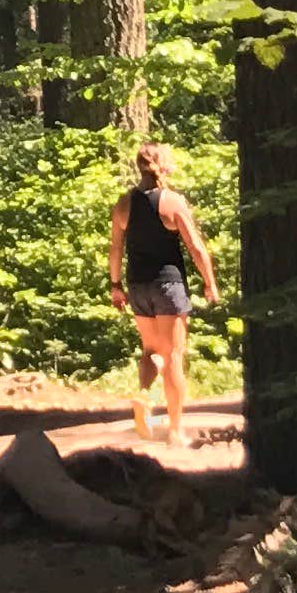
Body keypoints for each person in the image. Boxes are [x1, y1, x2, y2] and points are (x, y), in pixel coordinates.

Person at [109, 140, 219, 451]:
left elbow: (115, 249)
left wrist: (115, 285)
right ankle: (174, 431)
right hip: (168, 286)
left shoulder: (124, 204)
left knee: (150, 351)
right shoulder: (172, 202)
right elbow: (195, 247)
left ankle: (143, 396)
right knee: (173, 357)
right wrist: (209, 282)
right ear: (164, 166)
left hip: (137, 286)